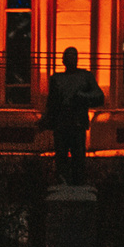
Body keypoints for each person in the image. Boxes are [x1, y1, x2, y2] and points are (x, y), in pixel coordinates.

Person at [41, 46, 105, 186]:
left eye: (74, 56)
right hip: (61, 124)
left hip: (77, 123)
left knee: (79, 158)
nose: (71, 59)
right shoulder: (56, 79)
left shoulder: (85, 76)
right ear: (63, 60)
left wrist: (83, 96)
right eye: (68, 56)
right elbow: (51, 103)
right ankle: (62, 182)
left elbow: (99, 96)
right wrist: (45, 120)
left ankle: (78, 183)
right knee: (61, 157)